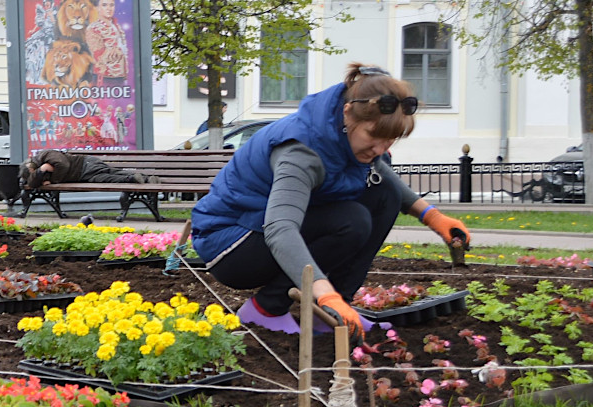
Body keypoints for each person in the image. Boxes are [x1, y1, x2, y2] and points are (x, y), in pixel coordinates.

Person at [190, 62, 470, 340]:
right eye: (374, 136)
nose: (380, 149)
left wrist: (432, 216)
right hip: (231, 245)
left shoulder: (344, 136)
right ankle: (266, 310)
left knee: (385, 196)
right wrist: (324, 292)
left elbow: (380, 174)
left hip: (260, 230)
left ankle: (332, 314)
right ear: (348, 113)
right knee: (351, 220)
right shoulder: (301, 150)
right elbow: (281, 228)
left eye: (391, 140)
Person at [19, 149, 158, 189]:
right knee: (109, 176)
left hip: (85, 165)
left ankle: (138, 178)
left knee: (107, 175)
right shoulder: (40, 170)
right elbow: (32, 183)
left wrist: (54, 180)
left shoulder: (46, 154)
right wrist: (42, 171)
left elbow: (64, 165)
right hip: (83, 174)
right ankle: (140, 178)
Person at [84, 0, 128, 83]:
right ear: (97, 8)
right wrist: (116, 51)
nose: (109, 8)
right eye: (104, 5)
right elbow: (98, 56)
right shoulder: (93, 28)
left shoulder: (117, 26)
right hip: (104, 78)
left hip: (120, 76)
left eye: (111, 5)